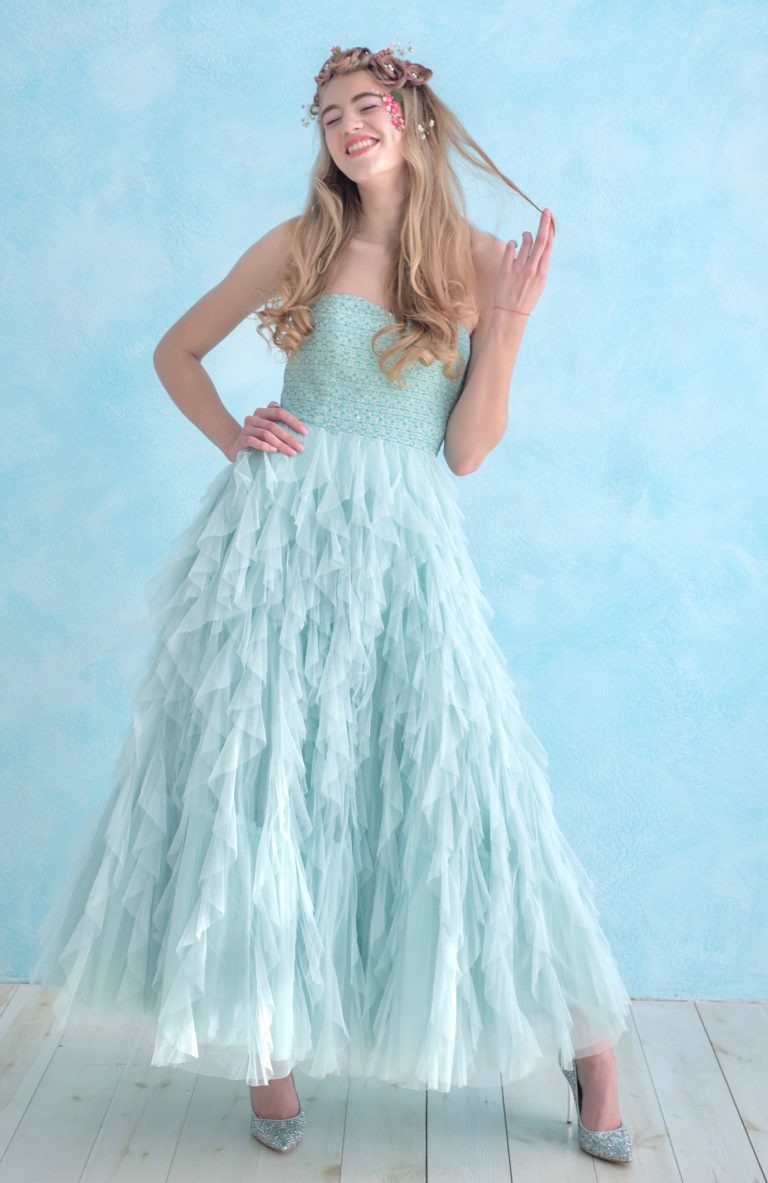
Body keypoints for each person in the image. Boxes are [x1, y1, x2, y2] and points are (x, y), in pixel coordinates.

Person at [29, 42, 633, 1163]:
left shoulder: (474, 259)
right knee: (267, 774)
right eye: (327, 114)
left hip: (402, 546)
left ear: (412, 118)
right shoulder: (299, 243)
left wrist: (507, 326)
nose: (347, 126)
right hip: (275, 541)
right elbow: (176, 351)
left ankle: (588, 1044)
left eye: (366, 105)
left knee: (463, 784)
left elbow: (465, 452)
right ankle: (268, 1046)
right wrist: (235, 435)